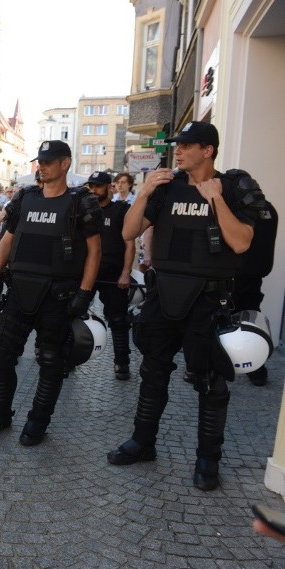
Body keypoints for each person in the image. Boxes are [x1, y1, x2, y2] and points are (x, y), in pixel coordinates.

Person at [106, 121, 265, 491]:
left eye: (187, 145)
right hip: (164, 294)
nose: (178, 150)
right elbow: (128, 232)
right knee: (153, 371)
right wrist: (144, 193)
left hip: (209, 298)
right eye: (178, 145)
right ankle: (142, 442)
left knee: (210, 381)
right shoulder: (165, 188)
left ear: (208, 150)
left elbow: (241, 243)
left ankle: (208, 459)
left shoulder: (234, 187)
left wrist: (215, 198)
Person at [0, 140, 103, 444]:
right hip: (20, 290)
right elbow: (7, 239)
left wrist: (85, 293)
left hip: (58, 296)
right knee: (2, 355)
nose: (41, 167)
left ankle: (38, 421)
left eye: (48, 162)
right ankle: (0, 412)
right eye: (39, 162)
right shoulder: (26, 197)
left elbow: (95, 251)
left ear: (65, 164)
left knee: (51, 360)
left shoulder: (81, 202)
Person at [85, 171, 134, 381]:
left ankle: (122, 363)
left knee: (118, 320)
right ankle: (69, 357)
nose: (94, 191)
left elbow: (130, 244)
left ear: (109, 188)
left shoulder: (122, 210)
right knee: (74, 313)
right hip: (88, 272)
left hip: (114, 274)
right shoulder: (85, 211)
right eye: (91, 187)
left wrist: (125, 273)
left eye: (98, 186)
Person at [231, 200, 277, 386]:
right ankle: (257, 369)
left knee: (214, 318)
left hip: (233, 272)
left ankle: (204, 368)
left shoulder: (240, 208)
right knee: (250, 318)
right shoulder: (268, 208)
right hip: (254, 274)